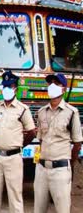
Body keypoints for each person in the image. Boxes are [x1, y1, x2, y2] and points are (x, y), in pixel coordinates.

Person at [34, 73, 82, 213]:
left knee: (62, 209)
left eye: (56, 83)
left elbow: (77, 142)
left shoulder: (72, 113)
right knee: (39, 209)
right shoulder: (41, 112)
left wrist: (69, 163)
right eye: (50, 83)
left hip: (61, 170)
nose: (52, 86)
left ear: (63, 89)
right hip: (41, 169)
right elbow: (41, 140)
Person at [0, 71, 36, 213]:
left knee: (15, 197)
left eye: (9, 86)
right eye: (4, 86)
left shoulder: (22, 110)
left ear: (15, 88)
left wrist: (18, 144)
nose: (6, 89)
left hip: (14, 158)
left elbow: (32, 132)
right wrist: (1, 139)